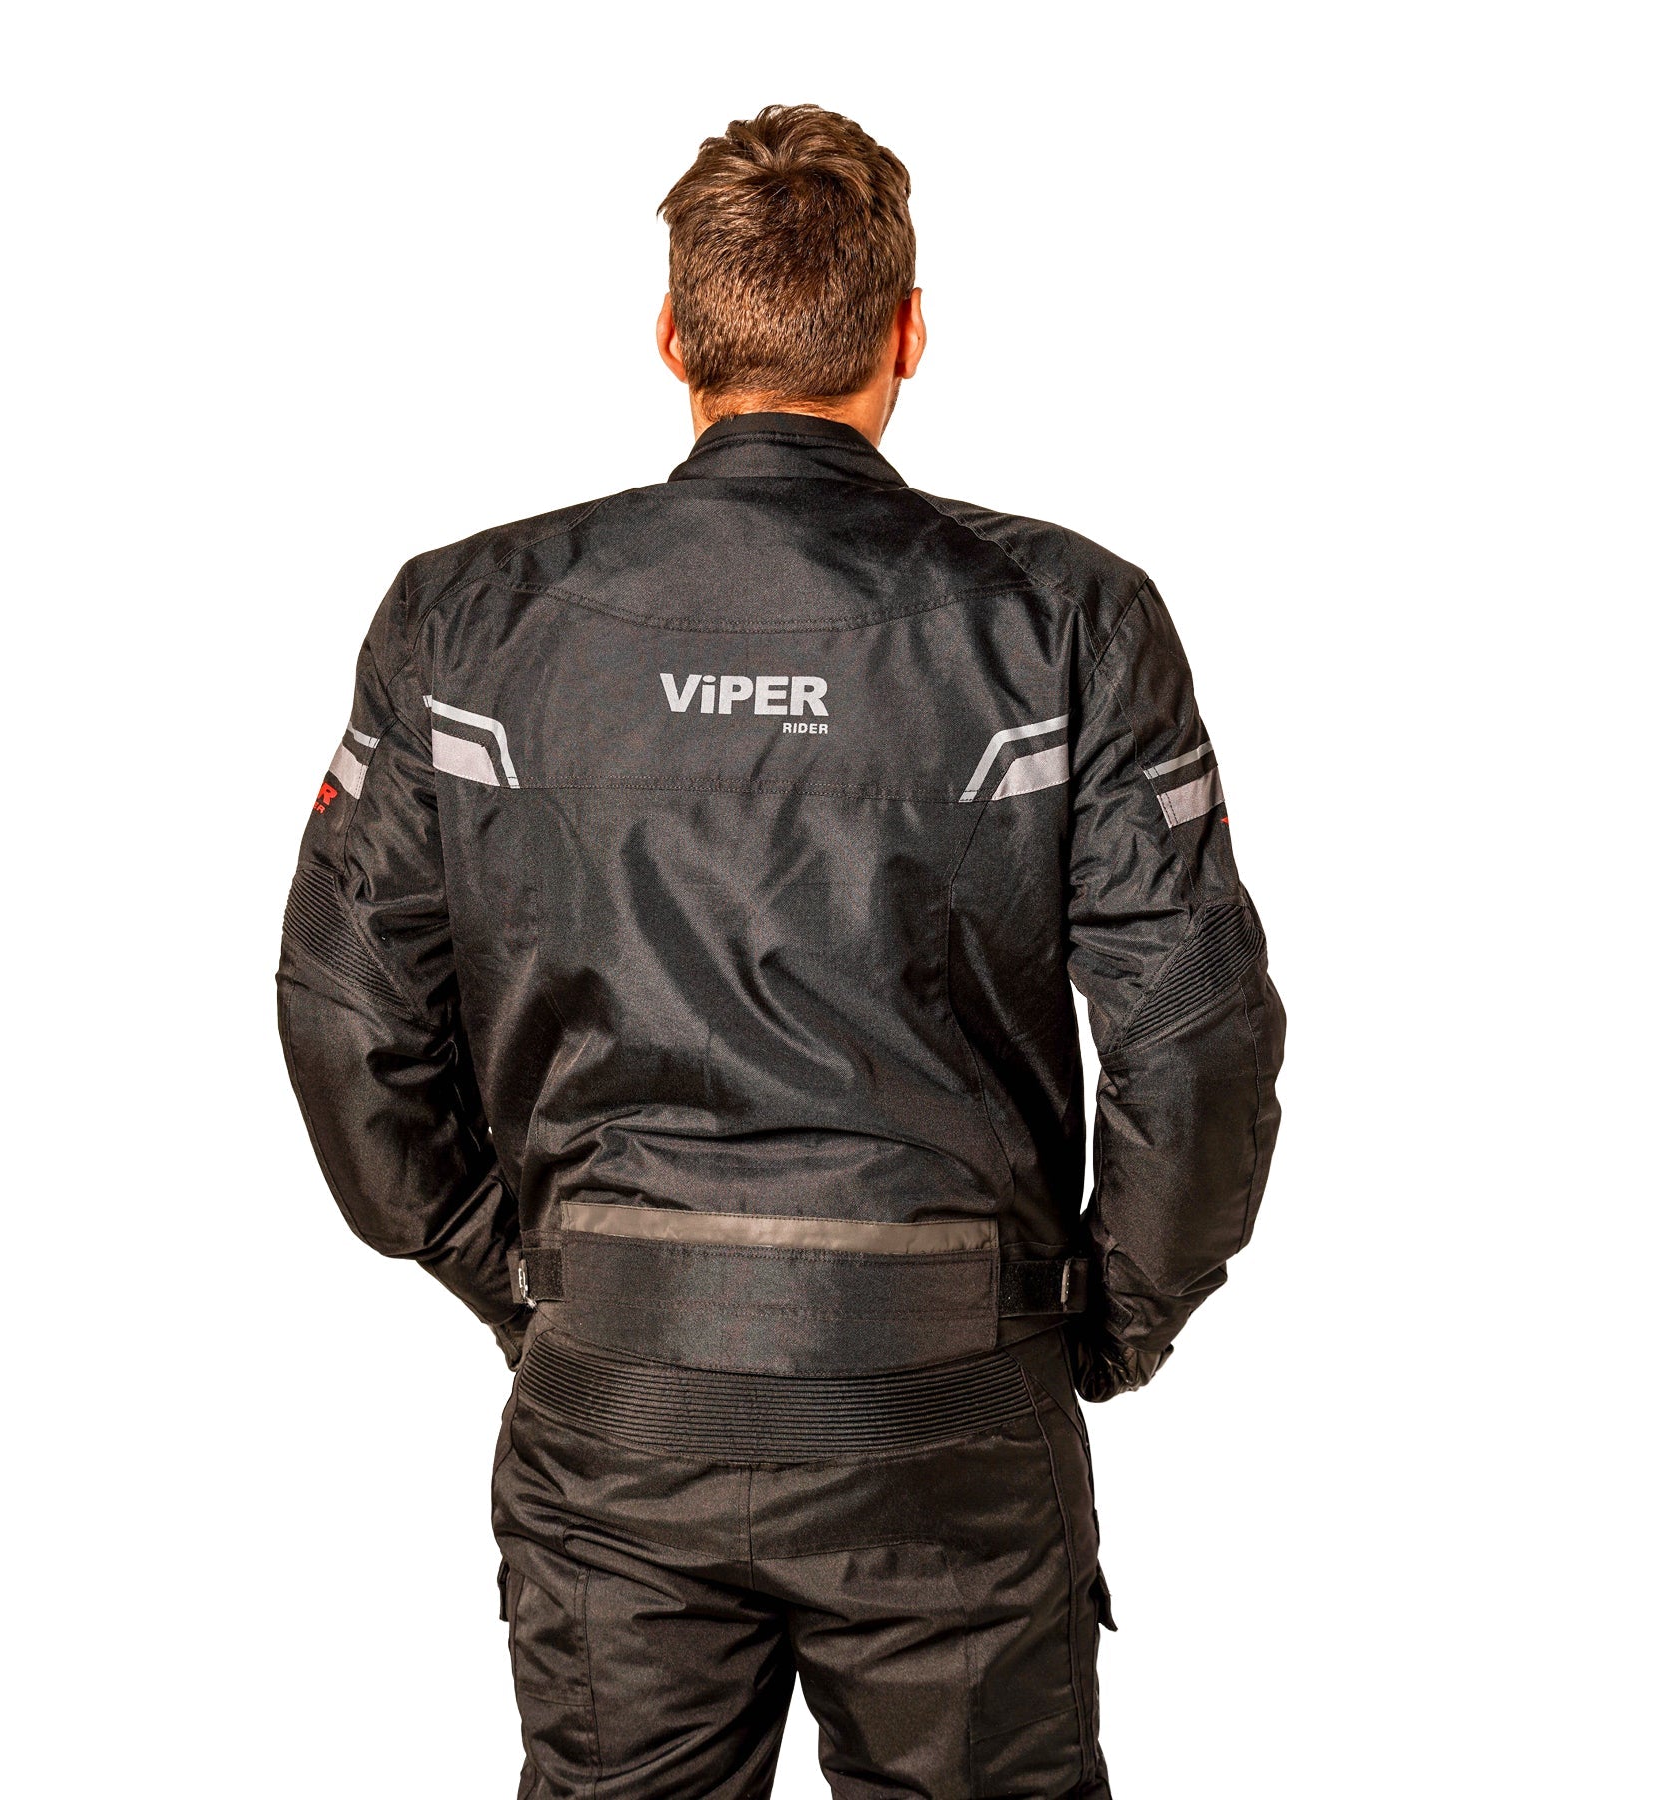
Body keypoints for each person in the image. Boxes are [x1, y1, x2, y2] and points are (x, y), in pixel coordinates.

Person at [278, 102, 1284, 1800]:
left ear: (674, 336)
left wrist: (532, 1285)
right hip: (953, 1407)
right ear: (908, 332)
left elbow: (344, 1016)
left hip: (621, 1411)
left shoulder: (467, 619)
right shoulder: (1066, 617)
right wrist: (1109, 1319)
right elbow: (1194, 1034)